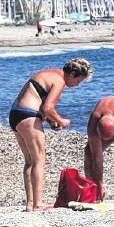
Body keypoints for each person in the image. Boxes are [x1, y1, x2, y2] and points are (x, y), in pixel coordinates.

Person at [10, 58, 93, 212]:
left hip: (16, 114)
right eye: (79, 81)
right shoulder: (60, 80)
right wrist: (61, 121)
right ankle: (38, 203)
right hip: (28, 115)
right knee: (39, 161)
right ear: (73, 74)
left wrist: (50, 122)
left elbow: (39, 102)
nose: (76, 86)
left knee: (29, 161)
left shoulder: (48, 73)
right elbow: (48, 107)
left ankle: (30, 204)